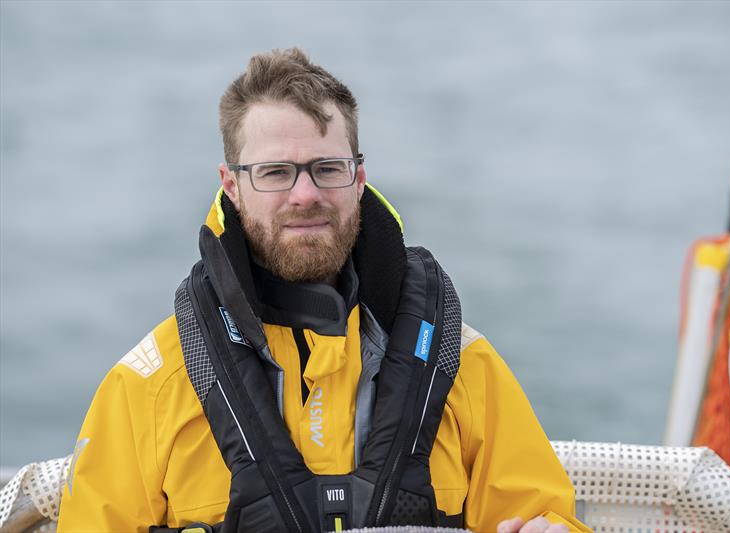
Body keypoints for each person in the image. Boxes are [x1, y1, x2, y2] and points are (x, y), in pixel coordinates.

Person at [56, 48, 590, 533]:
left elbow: (548, 514)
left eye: (327, 168)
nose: (305, 195)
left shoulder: (462, 368)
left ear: (358, 179)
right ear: (231, 185)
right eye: (275, 172)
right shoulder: (148, 388)